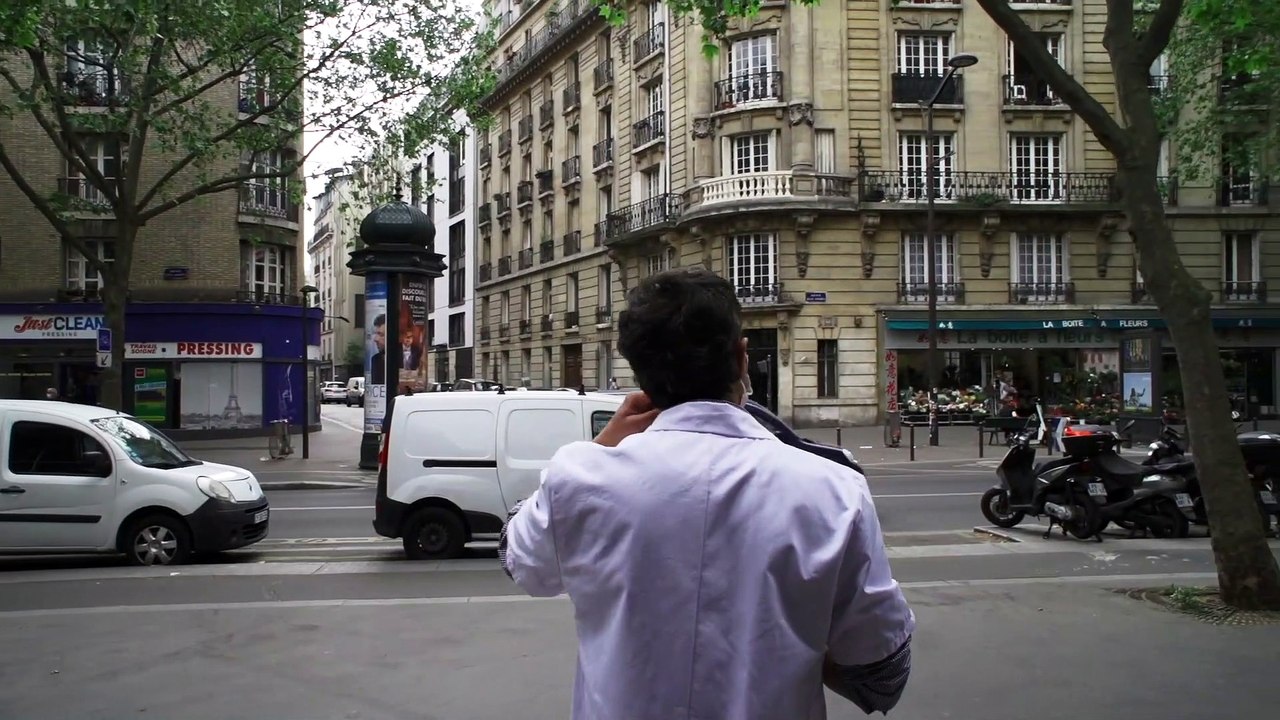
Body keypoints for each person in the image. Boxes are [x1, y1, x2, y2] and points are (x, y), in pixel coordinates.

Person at [500, 269, 914, 720]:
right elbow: (880, 680)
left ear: (642, 376)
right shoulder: (835, 490)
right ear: (741, 358)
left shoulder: (580, 477)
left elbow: (520, 560)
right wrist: (795, 642)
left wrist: (601, 447)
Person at [369, 314, 387, 385]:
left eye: (381, 335)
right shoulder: (375, 359)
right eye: (376, 334)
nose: (375, 339)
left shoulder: (402, 360)